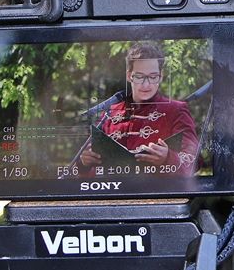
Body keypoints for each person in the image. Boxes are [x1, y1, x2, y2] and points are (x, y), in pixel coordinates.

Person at [80, 42, 199, 176]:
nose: (146, 84)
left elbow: (194, 161)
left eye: (153, 77)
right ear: (129, 75)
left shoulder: (176, 110)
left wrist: (168, 158)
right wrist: (84, 163)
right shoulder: (110, 112)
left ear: (161, 76)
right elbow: (90, 172)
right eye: (139, 76)